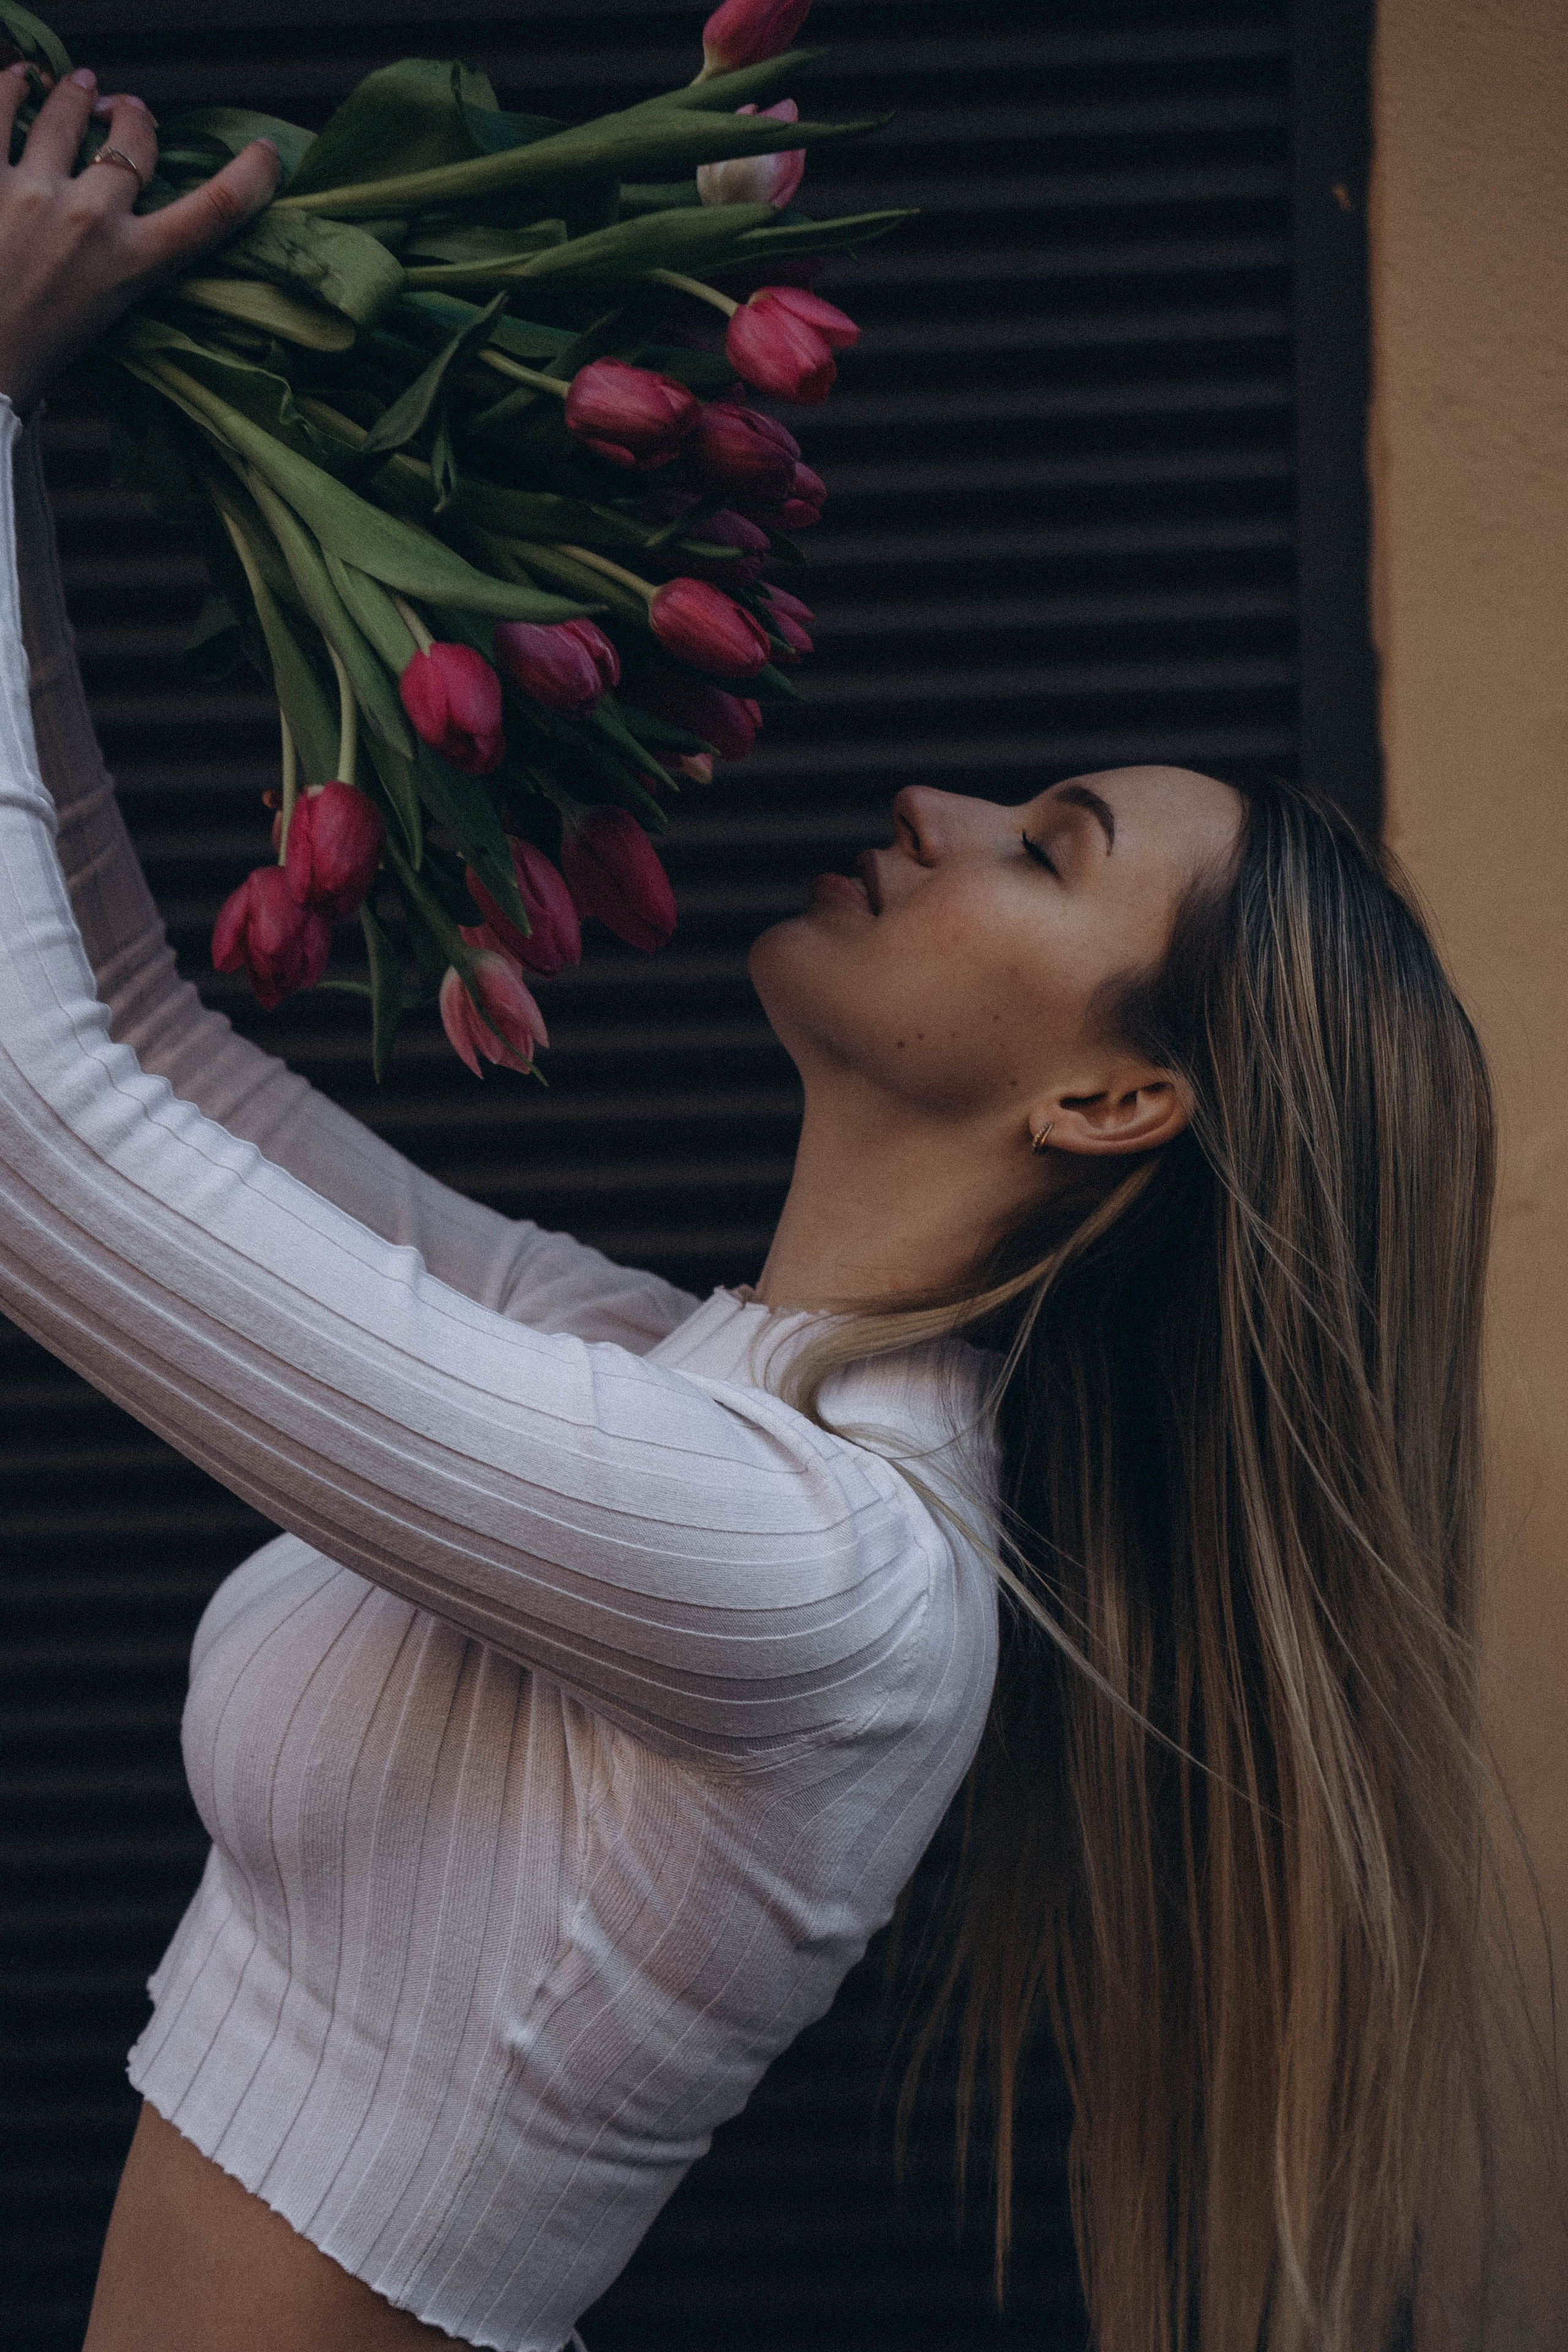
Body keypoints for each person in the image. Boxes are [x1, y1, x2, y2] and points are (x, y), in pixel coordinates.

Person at [0, 60, 1519, 2352]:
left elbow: (36, 1142)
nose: (935, 800)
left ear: (1118, 1097)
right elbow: (137, 1037)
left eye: (1049, 850)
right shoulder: (681, 1377)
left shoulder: (823, 1574)